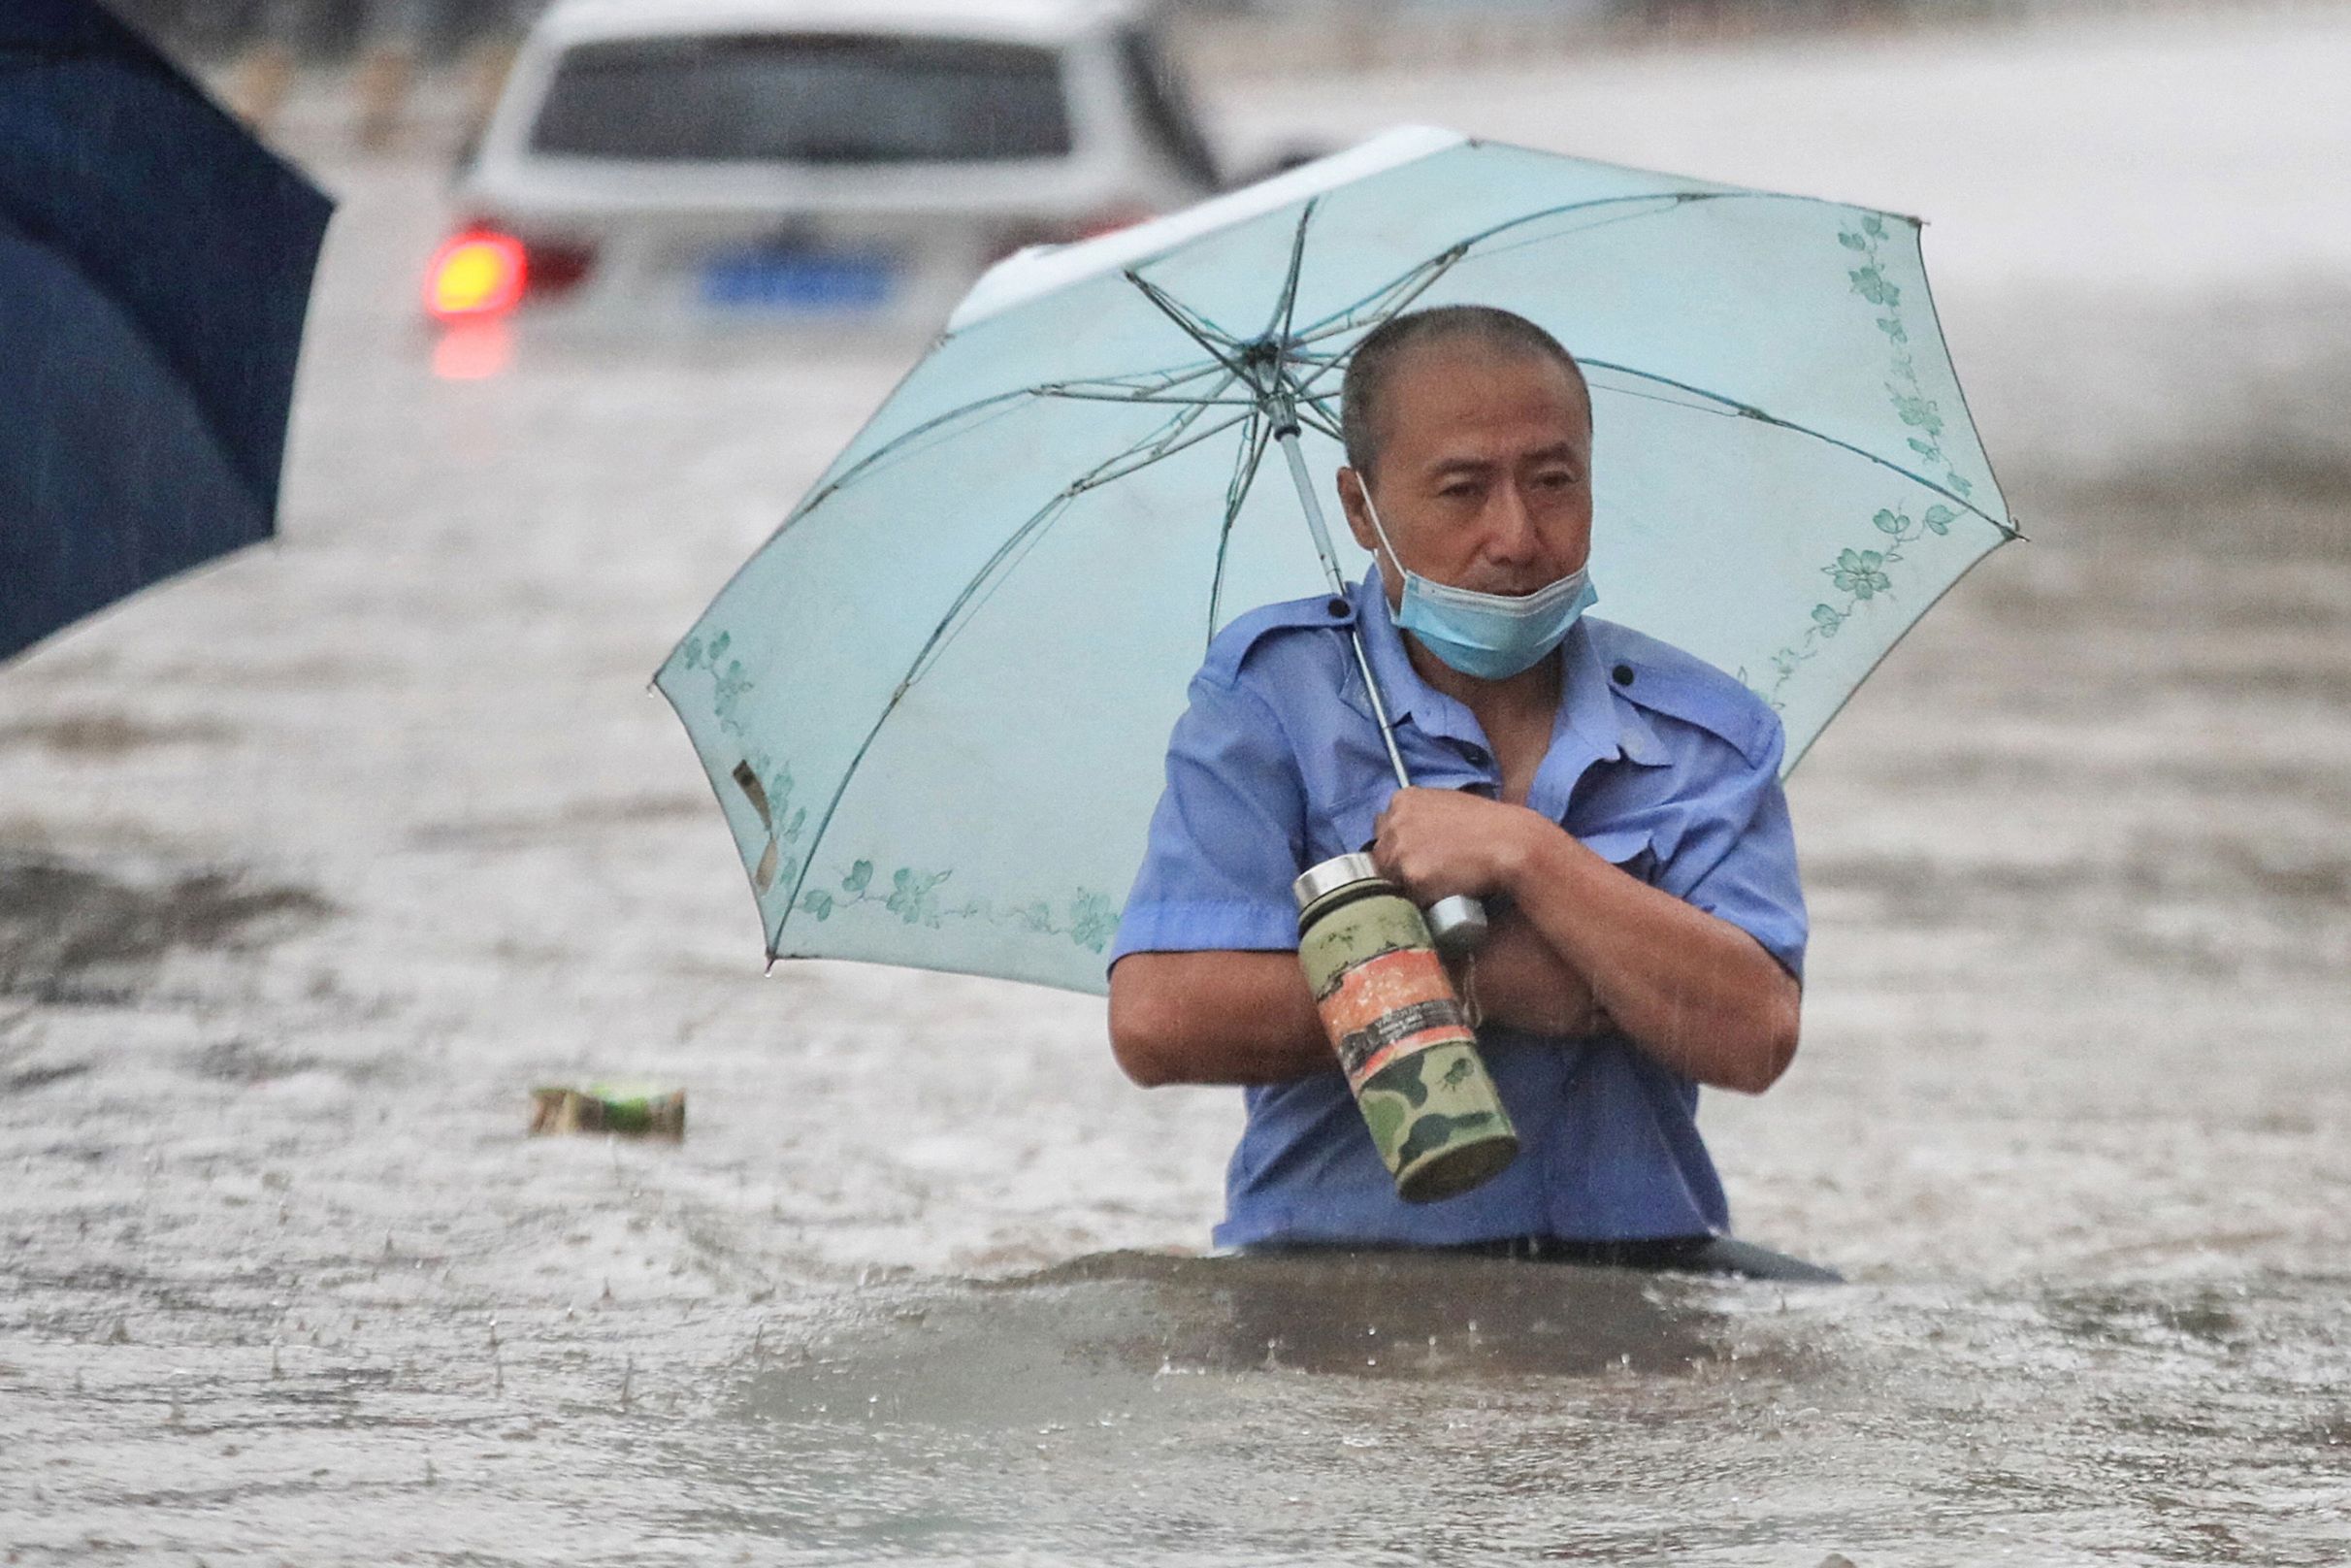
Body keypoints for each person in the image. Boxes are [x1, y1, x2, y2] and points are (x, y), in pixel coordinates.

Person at [1106, 305, 1834, 1282]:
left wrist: (1528, 856)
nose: (1516, 535)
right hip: (1335, 1270)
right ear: (1360, 510)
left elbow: (1754, 1035)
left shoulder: (1704, 729)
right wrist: (1489, 980)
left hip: (1638, 1271)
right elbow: (1159, 1018)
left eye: (1551, 482)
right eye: (1460, 490)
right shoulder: (1272, 700)